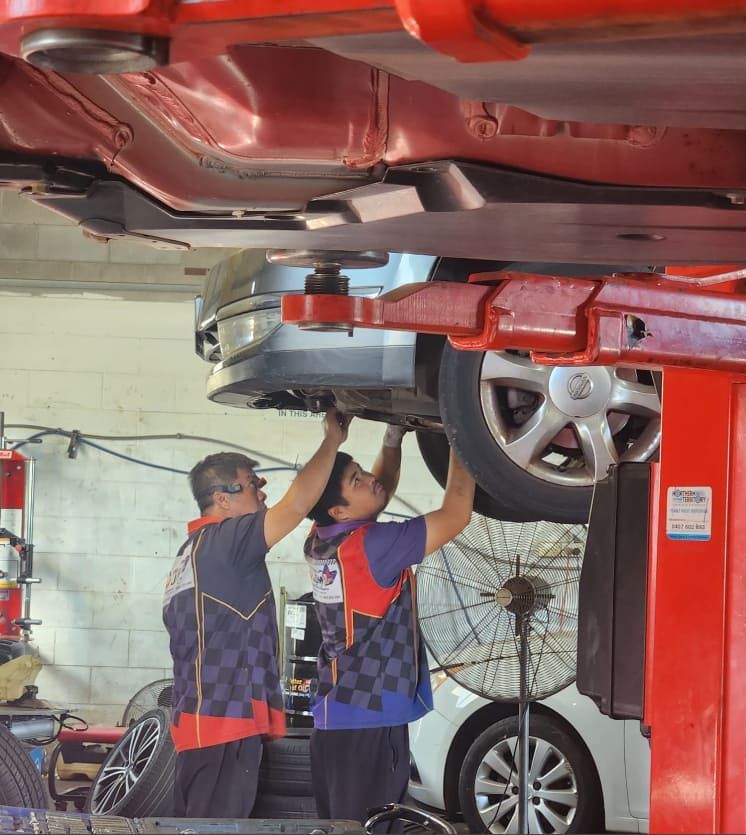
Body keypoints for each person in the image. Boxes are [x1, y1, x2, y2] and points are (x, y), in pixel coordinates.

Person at [162, 408, 350, 819]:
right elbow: (298, 502)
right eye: (252, 486)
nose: (262, 495)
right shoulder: (227, 541)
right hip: (224, 726)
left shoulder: (189, 555)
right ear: (222, 499)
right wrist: (332, 440)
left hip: (201, 725)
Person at [304, 424, 475, 827]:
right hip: (370, 717)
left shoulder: (321, 538)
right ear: (340, 511)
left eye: (362, 471)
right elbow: (456, 515)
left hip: (335, 715)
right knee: (373, 825)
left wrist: (393, 437)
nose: (371, 481)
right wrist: (467, 440)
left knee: (343, 826)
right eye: (356, 481)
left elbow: (377, 493)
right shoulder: (373, 544)